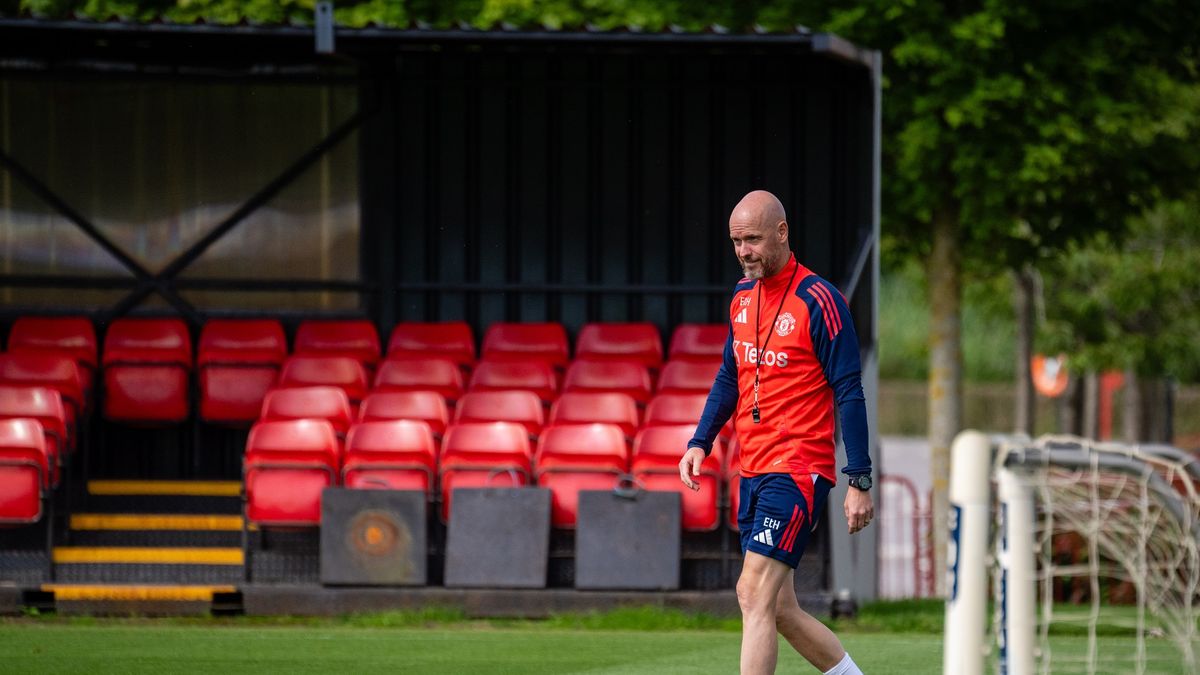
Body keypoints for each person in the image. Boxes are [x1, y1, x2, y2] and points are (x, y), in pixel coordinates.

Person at [679, 190, 874, 675]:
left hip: (799, 468)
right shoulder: (742, 298)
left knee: (751, 592)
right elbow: (731, 374)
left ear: (782, 233)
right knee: (780, 609)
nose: (744, 251)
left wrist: (859, 479)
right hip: (755, 467)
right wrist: (700, 440)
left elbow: (850, 391)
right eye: (736, 241)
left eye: (753, 239)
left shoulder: (820, 300)